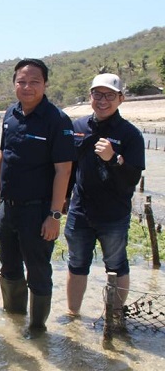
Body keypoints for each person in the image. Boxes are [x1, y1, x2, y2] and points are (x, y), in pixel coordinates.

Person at [0, 58, 75, 332]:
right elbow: (3, 155)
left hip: (38, 211)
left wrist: (54, 214)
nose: (27, 86)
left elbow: (63, 171)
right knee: (9, 266)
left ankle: (37, 330)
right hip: (8, 208)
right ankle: (15, 324)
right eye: (22, 81)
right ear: (14, 84)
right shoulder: (9, 115)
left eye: (34, 81)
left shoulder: (57, 120)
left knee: (37, 270)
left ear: (45, 84)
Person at [64, 73, 145, 317]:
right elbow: (69, 169)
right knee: (76, 265)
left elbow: (132, 178)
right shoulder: (77, 127)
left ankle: (115, 316)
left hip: (114, 214)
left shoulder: (130, 134)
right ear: (90, 96)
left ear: (121, 98)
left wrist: (113, 160)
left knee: (116, 265)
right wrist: (63, 200)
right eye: (97, 94)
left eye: (110, 95)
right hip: (80, 212)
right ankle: (73, 317)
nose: (103, 100)